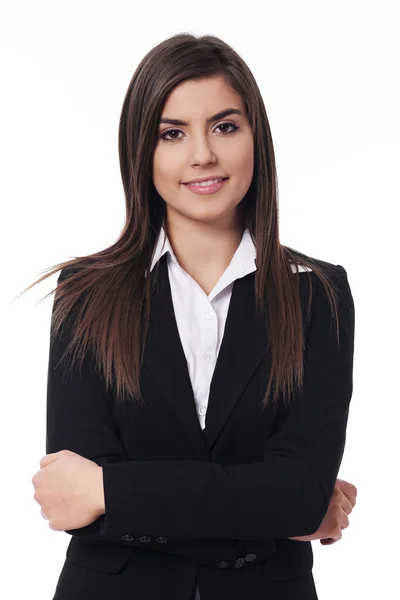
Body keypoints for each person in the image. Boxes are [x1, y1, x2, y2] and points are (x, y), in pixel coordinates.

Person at [26, 33, 357, 600]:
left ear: (257, 139)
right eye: (172, 133)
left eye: (225, 127)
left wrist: (114, 491)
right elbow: (70, 501)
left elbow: (300, 494)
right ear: (142, 151)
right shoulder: (86, 295)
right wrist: (269, 510)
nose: (202, 153)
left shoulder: (318, 296)